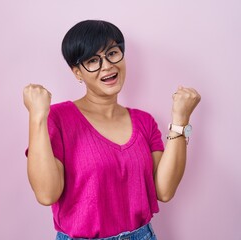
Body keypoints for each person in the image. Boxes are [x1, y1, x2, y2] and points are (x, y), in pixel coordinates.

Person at [23, 20, 201, 240]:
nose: (107, 66)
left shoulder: (144, 121)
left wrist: (181, 119)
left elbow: (164, 190)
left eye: (113, 53)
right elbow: (46, 193)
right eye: (93, 61)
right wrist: (37, 117)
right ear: (77, 72)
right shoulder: (57, 119)